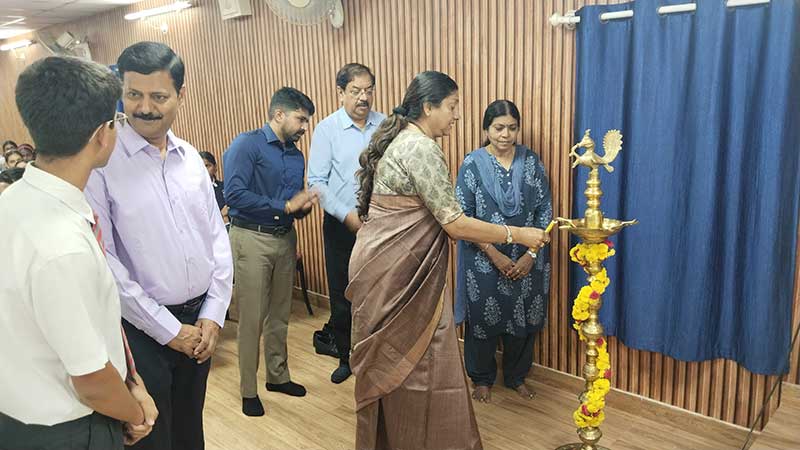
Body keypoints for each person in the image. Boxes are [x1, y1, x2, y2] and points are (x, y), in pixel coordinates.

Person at [347, 71, 550, 450]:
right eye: (452, 106)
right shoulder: (421, 148)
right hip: (397, 275)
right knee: (415, 366)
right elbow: (455, 223)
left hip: (386, 267)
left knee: (404, 367)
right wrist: (518, 235)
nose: (457, 115)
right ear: (429, 107)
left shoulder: (405, 140)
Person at [0, 56, 157, 450]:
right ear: (102, 134)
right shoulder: (62, 246)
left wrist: (129, 384)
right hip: (68, 429)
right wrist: (135, 414)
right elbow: (91, 381)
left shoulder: (13, 201)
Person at [85, 41, 233, 450]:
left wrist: (214, 314)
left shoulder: (190, 159)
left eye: (158, 96)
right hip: (142, 331)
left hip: (200, 324)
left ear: (180, 95)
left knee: (190, 430)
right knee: (153, 437)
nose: (145, 107)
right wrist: (168, 331)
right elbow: (104, 260)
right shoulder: (103, 163)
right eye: (134, 94)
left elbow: (217, 239)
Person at [224, 87, 317, 417]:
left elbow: (291, 203)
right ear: (279, 114)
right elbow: (234, 194)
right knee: (252, 318)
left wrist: (303, 206)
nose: (304, 127)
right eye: (301, 119)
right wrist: (285, 205)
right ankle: (248, 390)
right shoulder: (246, 145)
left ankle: (277, 376)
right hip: (251, 237)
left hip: (284, 238)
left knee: (280, 314)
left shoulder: (295, 155)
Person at [455, 100, 553, 403]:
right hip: (482, 259)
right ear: (487, 129)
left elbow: (545, 211)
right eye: (498, 128)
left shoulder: (531, 162)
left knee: (524, 316)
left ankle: (516, 376)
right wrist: (494, 254)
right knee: (482, 320)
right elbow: (463, 216)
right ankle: (481, 378)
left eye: (512, 128)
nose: (505, 134)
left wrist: (531, 255)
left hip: (528, 258)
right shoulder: (472, 164)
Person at [308, 63, 386, 384]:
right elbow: (317, 182)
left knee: (380, 291)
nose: (363, 97)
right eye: (355, 91)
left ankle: (377, 355)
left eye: (369, 90)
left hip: (381, 223)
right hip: (342, 224)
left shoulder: (386, 125)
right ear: (340, 92)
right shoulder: (327, 130)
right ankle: (346, 357)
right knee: (343, 294)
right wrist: (347, 215)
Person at [199, 151, 229, 223]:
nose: (204, 170)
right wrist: (220, 215)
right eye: (200, 166)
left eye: (207, 166)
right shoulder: (193, 192)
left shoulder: (225, 187)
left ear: (215, 167)